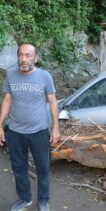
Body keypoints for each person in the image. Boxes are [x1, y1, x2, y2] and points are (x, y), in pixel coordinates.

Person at [0, 44, 60, 211]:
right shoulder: (11, 75)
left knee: (43, 168)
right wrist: (0, 125)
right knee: (19, 168)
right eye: (20, 55)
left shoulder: (45, 76)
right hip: (15, 132)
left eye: (27, 55)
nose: (23, 59)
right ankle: (24, 199)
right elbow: (7, 100)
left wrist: (55, 127)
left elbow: (53, 101)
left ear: (36, 58)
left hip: (39, 132)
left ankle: (43, 200)